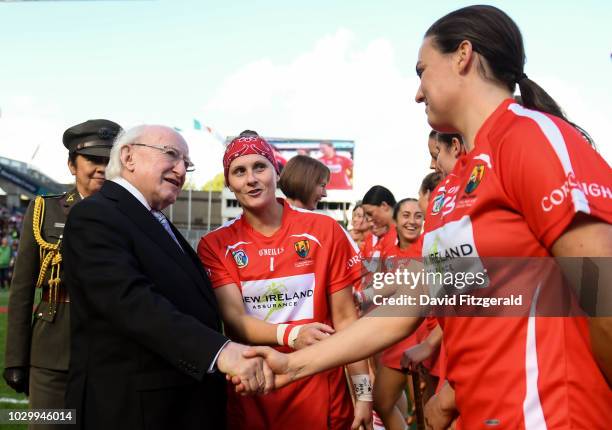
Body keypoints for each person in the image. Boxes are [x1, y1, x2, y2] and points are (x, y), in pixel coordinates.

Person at [241, 5, 612, 429]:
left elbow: (603, 287)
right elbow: (415, 302)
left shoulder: (530, 136)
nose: (417, 92)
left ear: (463, 56)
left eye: (421, 71)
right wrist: (295, 365)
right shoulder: (452, 188)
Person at [61, 125, 271, 430]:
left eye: (187, 162)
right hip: (135, 411)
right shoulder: (96, 215)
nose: (182, 169)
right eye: (172, 155)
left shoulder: (153, 219)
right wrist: (220, 352)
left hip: (178, 405)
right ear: (128, 156)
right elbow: (131, 303)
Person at [197, 132, 373, 430]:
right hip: (254, 395)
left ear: (276, 172)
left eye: (259, 167)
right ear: (228, 183)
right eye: (239, 171)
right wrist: (293, 335)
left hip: (322, 397)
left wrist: (364, 395)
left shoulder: (325, 229)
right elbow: (235, 320)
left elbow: (347, 321)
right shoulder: (215, 244)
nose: (251, 179)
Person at [3, 119, 121, 428]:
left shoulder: (132, 215)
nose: (101, 168)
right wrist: (16, 358)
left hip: (113, 354)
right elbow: (22, 289)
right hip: (54, 355)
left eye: (109, 161)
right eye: (93, 159)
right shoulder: (45, 211)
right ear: (72, 164)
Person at [373, 198, 427, 430]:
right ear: (395, 220)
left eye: (418, 216)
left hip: (425, 337)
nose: (412, 221)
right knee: (382, 402)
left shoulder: (429, 247)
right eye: (406, 215)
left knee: (427, 410)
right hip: (394, 335)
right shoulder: (388, 249)